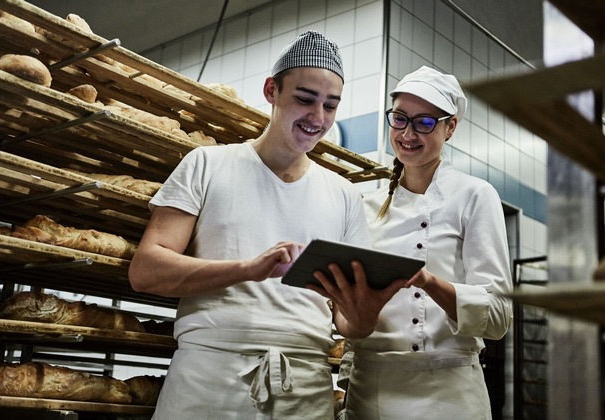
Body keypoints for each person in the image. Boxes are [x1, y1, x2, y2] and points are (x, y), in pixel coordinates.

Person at [128, 31, 396, 419]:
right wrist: (248, 269)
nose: (317, 118)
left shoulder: (343, 194)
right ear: (272, 90)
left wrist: (366, 312)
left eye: (330, 105)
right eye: (305, 99)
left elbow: (348, 323)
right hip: (209, 375)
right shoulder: (206, 164)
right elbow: (146, 270)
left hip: (304, 385)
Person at [310, 66, 513, 419]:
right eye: (400, 119)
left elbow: (498, 318)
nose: (408, 133)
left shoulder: (474, 196)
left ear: (450, 127)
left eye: (425, 123)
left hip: (449, 392)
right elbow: (345, 315)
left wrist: (429, 282)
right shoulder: (364, 206)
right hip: (371, 390)